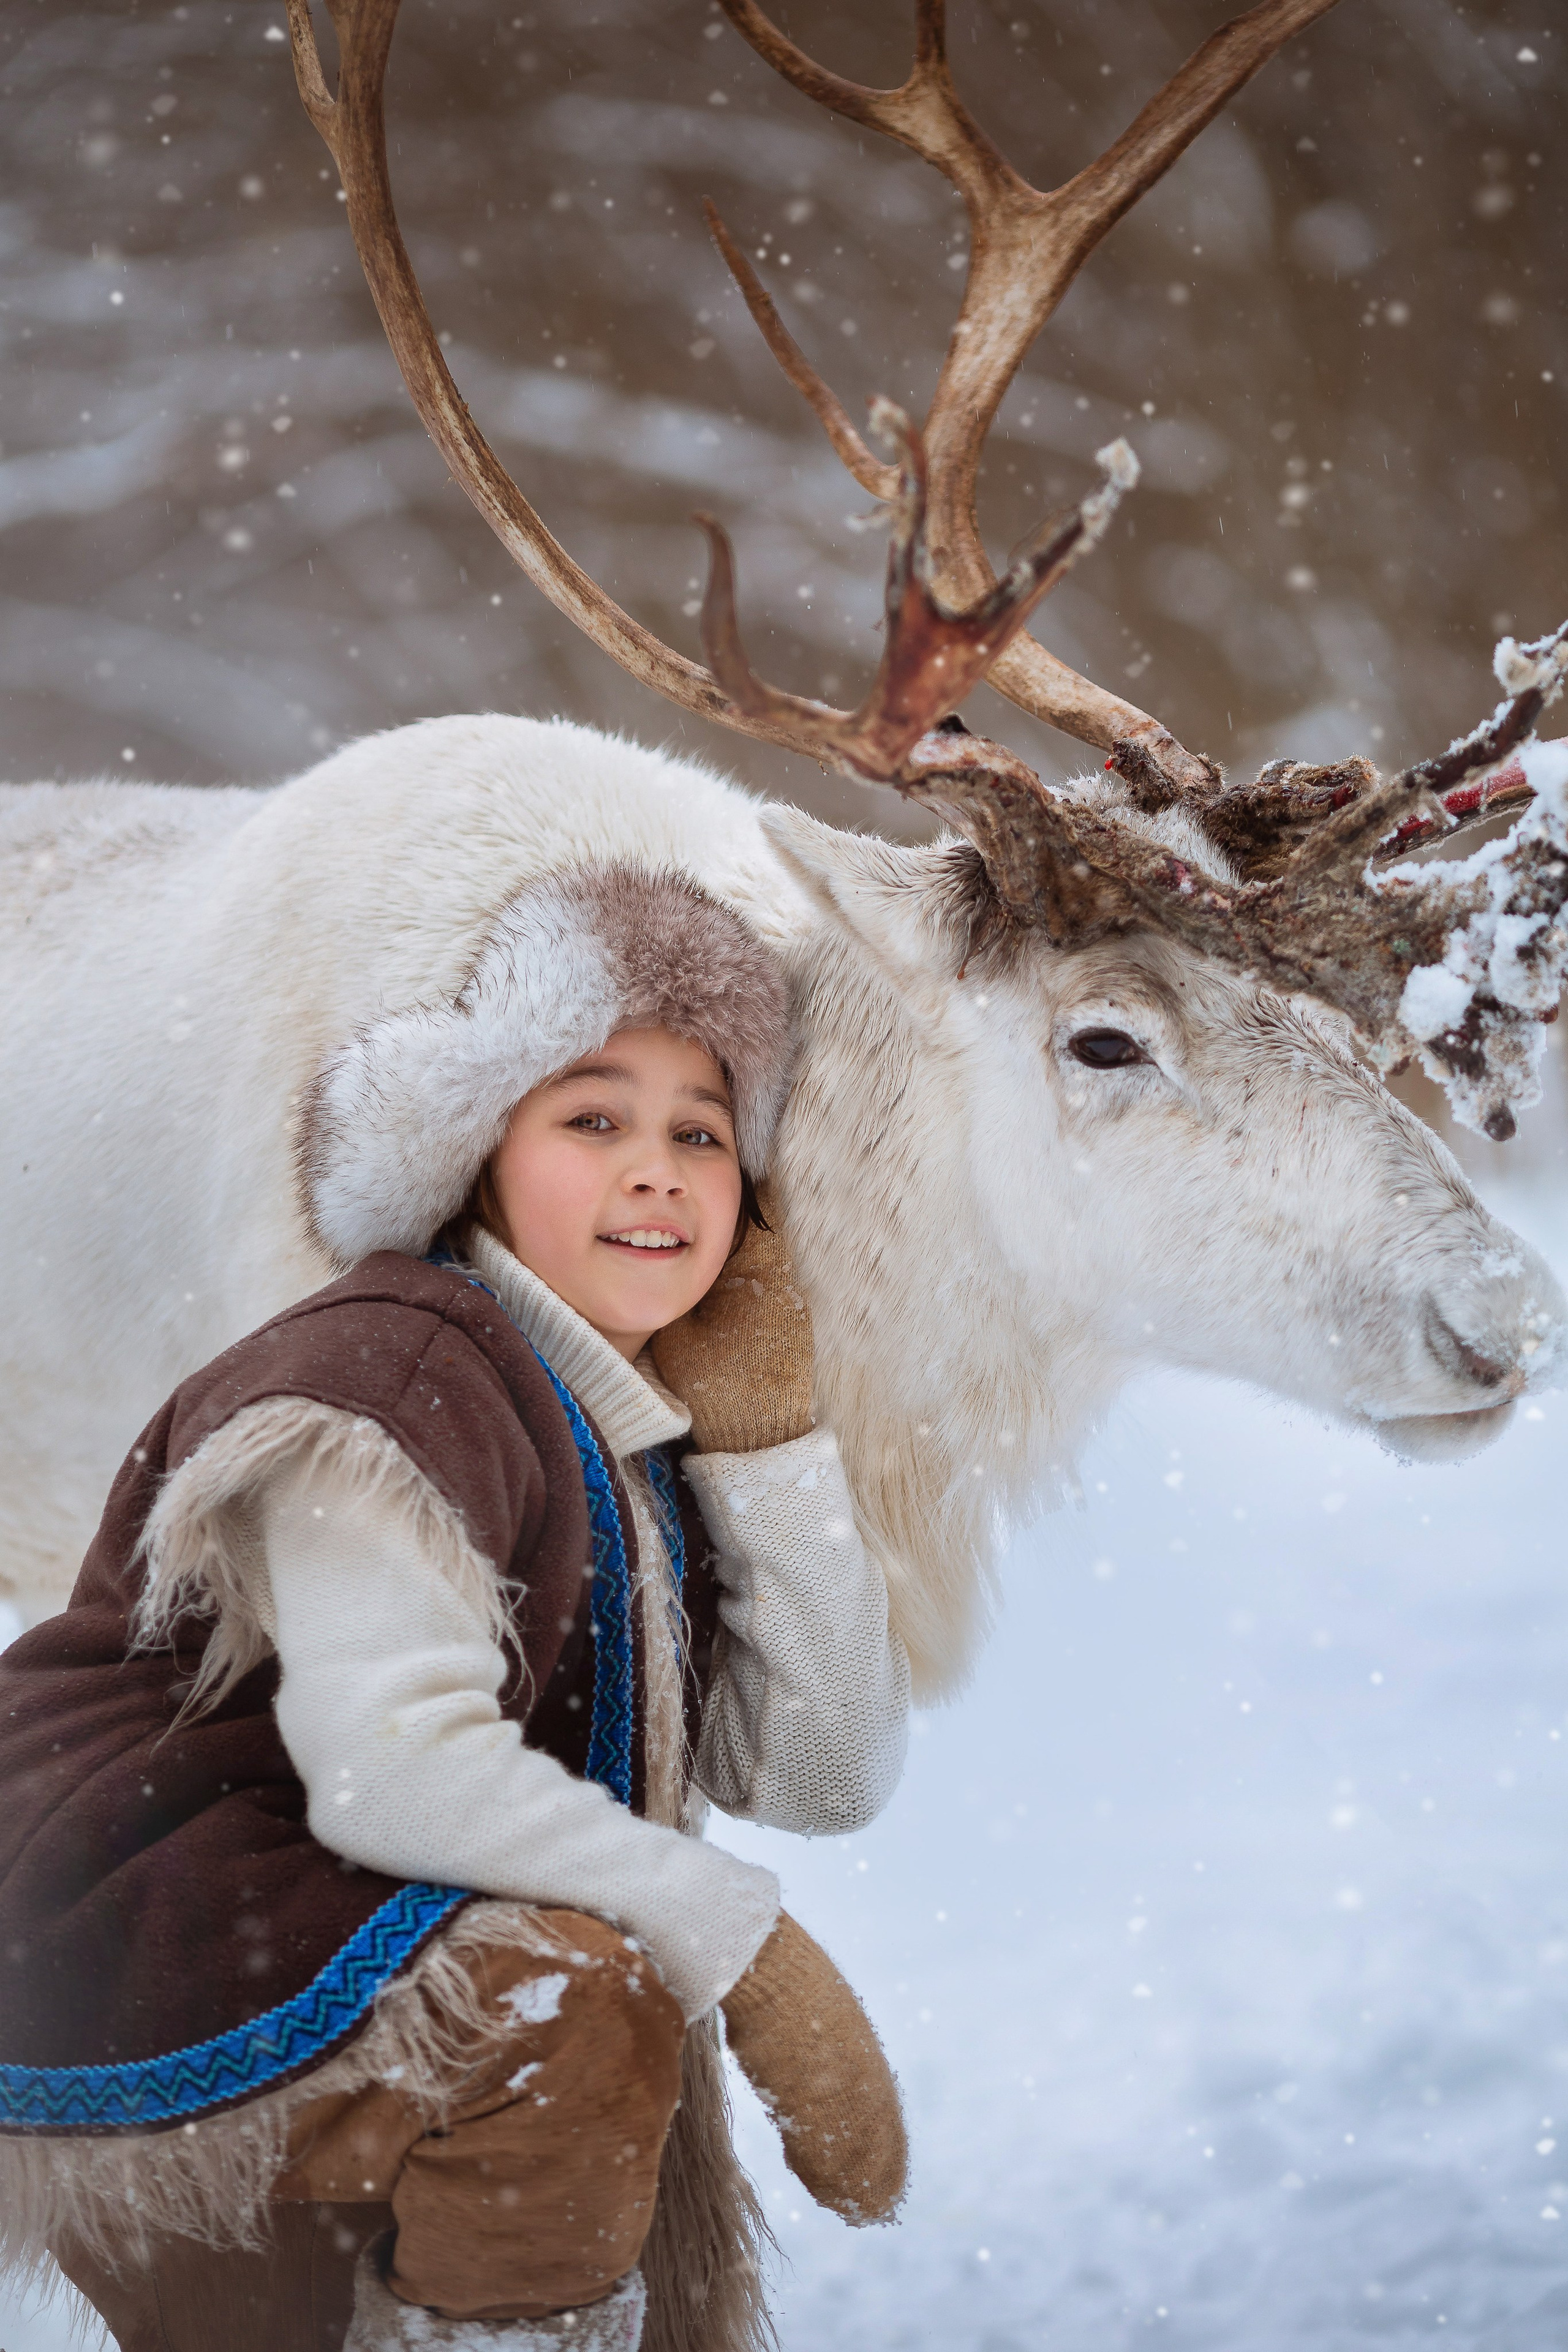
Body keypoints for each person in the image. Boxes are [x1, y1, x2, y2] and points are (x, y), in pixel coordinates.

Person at [0, 865, 911, 2352]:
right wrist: (744, 1946)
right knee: (563, 2006)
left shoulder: (612, 1421)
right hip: (125, 1920)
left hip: (293, 1941)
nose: (658, 1170)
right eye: (592, 1118)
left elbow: (821, 1775)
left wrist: (769, 1447)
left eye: (704, 1130)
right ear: (475, 1153)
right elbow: (392, 1765)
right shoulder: (402, 1373)